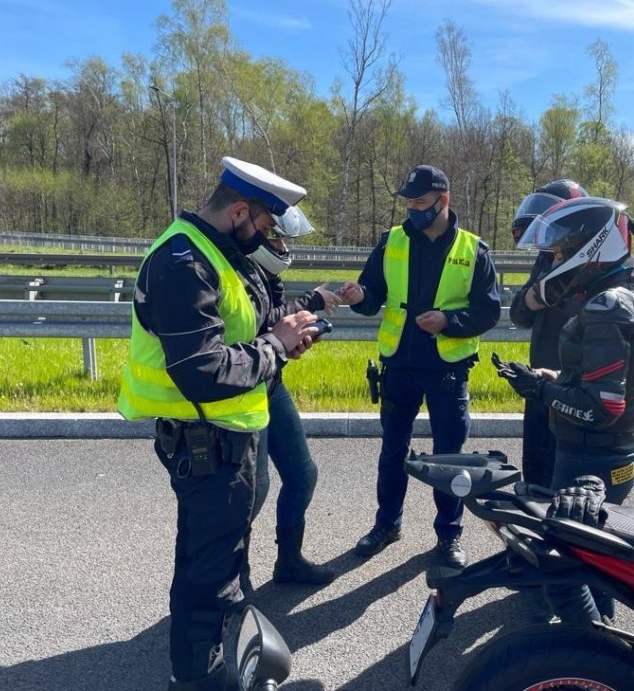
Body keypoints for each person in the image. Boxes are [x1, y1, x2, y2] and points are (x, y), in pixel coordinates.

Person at [117, 156, 320, 690]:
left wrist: (286, 334)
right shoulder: (183, 262)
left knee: (209, 568)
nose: (269, 238)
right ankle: (196, 679)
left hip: (226, 436)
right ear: (238, 212)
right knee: (209, 578)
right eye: (267, 225)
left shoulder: (220, 252)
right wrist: (275, 347)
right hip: (205, 440)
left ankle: (193, 669)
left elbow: (244, 330)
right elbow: (204, 372)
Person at [495, 195, 634, 622]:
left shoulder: (606, 306)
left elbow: (602, 407)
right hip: (605, 451)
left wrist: (540, 393)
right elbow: (604, 386)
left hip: (592, 455)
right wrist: (553, 380)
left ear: (587, 247)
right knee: (594, 565)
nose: (554, 259)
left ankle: (595, 657)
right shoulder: (619, 292)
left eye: (559, 251)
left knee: (569, 575)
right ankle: (597, 653)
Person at [338, 164, 501, 569]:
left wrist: (449, 322)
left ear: (442, 201)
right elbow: (372, 295)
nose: (412, 209)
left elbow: (488, 311)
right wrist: (359, 296)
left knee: (449, 458)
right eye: (409, 202)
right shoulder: (391, 241)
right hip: (399, 365)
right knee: (393, 451)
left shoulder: (473, 249)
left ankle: (449, 535)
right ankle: (386, 524)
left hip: (447, 369)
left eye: (421, 202)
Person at [246, 209, 340, 586]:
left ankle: (288, 562)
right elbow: (261, 322)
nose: (282, 248)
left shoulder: (266, 273)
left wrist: (293, 342)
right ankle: (233, 575)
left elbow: (273, 324)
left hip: (271, 384)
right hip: (244, 391)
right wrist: (311, 302)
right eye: (276, 237)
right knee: (255, 490)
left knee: (302, 474)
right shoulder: (236, 269)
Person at [509, 179, 588, 488]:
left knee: (569, 486)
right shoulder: (546, 258)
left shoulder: (598, 264)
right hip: (540, 385)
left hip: (578, 392)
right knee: (537, 478)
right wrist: (537, 295)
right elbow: (519, 313)